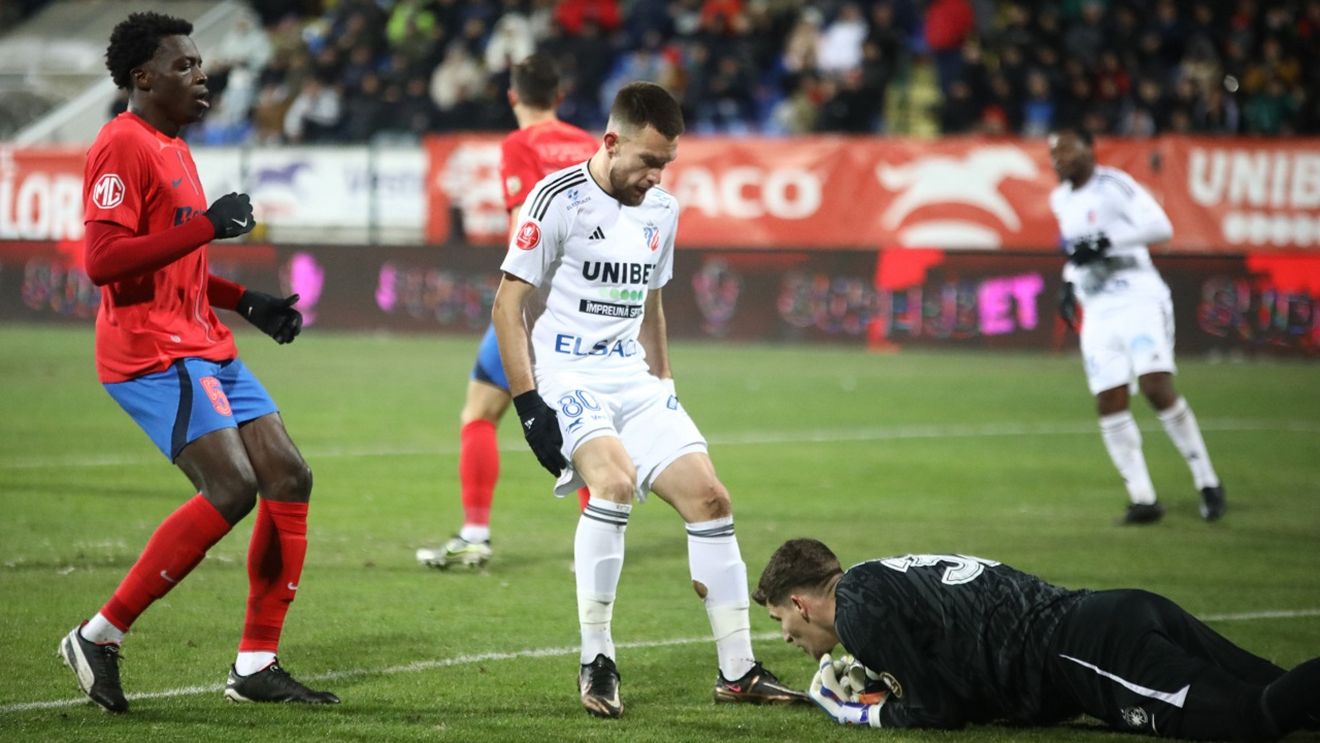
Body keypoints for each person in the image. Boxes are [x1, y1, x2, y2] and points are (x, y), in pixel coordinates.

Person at [491, 81, 807, 718]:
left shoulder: (662, 209)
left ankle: (738, 671)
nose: (657, 176)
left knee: (711, 499)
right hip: (568, 375)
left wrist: (664, 384)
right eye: (648, 161)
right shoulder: (556, 199)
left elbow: (651, 304)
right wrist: (528, 407)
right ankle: (597, 660)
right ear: (611, 142)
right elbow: (507, 305)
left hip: (635, 380)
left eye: (667, 163)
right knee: (612, 485)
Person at [58, 12, 337, 713]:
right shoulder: (122, 144)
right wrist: (211, 225)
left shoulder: (173, 145)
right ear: (143, 78)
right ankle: (98, 635)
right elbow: (103, 261)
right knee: (231, 487)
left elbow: (175, 255)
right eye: (183, 65)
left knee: (288, 475)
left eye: (199, 63)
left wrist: (246, 301)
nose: (201, 74)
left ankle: (256, 663)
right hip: (151, 350)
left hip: (203, 340)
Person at [755, 538, 1320, 739]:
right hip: (1114, 613)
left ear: (800, 603)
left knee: (1255, 717)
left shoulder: (857, 613)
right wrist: (893, 683)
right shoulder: (875, 578)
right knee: (1286, 692)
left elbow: (940, 712)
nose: (785, 635)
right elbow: (954, 674)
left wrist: (856, 713)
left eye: (780, 618)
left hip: (1088, 653)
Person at [416, 53, 597, 570]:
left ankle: (476, 534)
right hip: (586, 300)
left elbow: (524, 224)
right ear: (559, 95)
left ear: (512, 95)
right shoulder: (588, 145)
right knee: (582, 419)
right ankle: (597, 541)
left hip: (537, 302)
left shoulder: (520, 145)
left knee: (479, 412)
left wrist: (517, 297)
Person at [1048, 128, 1226, 525]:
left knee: (1155, 386)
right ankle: (1143, 498)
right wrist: (1068, 283)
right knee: (1108, 398)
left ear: (1088, 149)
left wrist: (1107, 242)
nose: (1058, 158)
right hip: (1097, 308)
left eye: (1066, 149)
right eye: (1053, 153)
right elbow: (1077, 251)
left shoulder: (1114, 185)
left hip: (1138, 299)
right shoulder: (1060, 199)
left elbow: (1161, 228)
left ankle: (1207, 482)